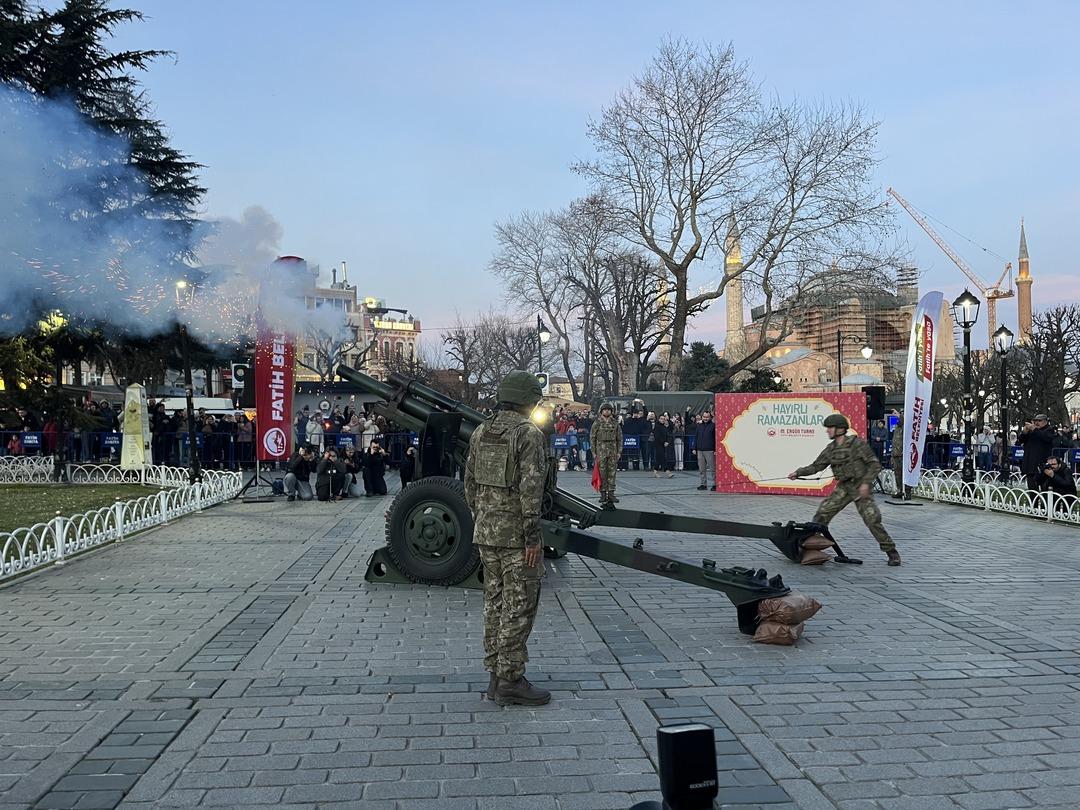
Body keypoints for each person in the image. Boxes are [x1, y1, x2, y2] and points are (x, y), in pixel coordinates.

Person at [464, 370, 550, 707]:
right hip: (517, 539)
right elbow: (531, 492)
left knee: (494, 604)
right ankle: (510, 679)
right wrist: (532, 538)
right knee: (520, 606)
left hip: (486, 534)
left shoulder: (482, 431)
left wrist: (484, 517)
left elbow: (469, 483)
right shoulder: (528, 435)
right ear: (529, 401)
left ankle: (495, 675)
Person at [788, 413, 902, 566]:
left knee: (872, 520)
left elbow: (875, 464)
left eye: (830, 428)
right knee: (822, 513)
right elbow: (816, 466)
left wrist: (866, 484)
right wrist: (798, 473)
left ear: (840, 429)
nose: (827, 431)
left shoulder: (857, 444)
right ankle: (810, 548)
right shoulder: (831, 448)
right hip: (844, 487)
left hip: (860, 486)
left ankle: (892, 552)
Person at [590, 402, 623, 508]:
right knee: (602, 473)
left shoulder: (615, 423)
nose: (607, 411)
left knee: (612, 473)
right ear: (601, 411)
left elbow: (619, 438)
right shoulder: (597, 423)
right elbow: (592, 438)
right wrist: (594, 452)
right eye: (605, 410)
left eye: (608, 410)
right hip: (601, 450)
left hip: (612, 451)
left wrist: (619, 452)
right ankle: (603, 494)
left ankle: (611, 494)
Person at [1018, 414, 1055, 491]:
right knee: (1032, 489)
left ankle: (1044, 503)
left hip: (1042, 465)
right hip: (1030, 465)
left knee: (1045, 489)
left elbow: (1046, 438)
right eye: (1035, 421)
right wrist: (1024, 432)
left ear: (1045, 422)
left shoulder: (1049, 430)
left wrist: (1034, 429)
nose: (1036, 423)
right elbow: (1020, 440)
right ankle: (1034, 502)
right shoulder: (1031, 431)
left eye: (1039, 421)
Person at [890, 412, 913, 499]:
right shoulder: (897, 427)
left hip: (903, 453)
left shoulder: (905, 426)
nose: (898, 420)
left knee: (905, 474)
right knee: (897, 473)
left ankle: (907, 492)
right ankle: (900, 490)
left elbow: (903, 420)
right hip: (896, 453)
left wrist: (899, 414)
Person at [693, 411, 716, 490]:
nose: (705, 418)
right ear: (702, 417)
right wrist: (694, 448)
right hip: (700, 450)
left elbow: (715, 439)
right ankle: (703, 484)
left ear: (710, 418)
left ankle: (715, 484)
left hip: (710, 450)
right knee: (702, 469)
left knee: (713, 469)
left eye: (707, 417)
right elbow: (696, 437)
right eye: (704, 417)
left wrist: (715, 449)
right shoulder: (699, 426)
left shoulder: (713, 426)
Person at [652, 414, 674, 478]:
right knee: (663, 458)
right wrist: (663, 442)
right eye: (661, 419)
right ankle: (668, 472)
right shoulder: (657, 426)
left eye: (663, 419)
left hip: (663, 445)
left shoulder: (664, 427)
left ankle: (655, 472)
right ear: (658, 419)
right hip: (658, 444)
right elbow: (657, 436)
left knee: (658, 459)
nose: (662, 420)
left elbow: (668, 435)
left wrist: (667, 442)